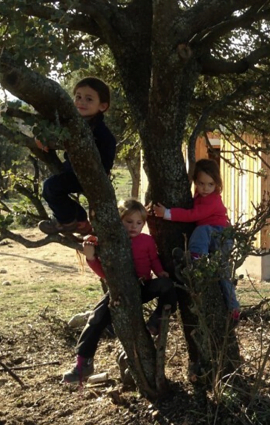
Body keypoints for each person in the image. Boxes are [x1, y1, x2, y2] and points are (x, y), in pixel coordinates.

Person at [62, 199, 177, 385]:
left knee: (167, 285)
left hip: (143, 286)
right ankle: (83, 364)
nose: (134, 226)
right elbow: (106, 274)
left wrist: (159, 272)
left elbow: (153, 258)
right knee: (95, 319)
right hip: (121, 290)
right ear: (119, 221)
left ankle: (156, 321)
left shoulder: (146, 240)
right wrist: (91, 257)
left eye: (139, 223)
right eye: (129, 222)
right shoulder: (110, 243)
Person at [152, 158, 240, 320]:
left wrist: (168, 213)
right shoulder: (199, 197)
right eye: (201, 183)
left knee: (223, 271)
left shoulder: (212, 200)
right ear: (195, 182)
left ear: (217, 185)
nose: (205, 188)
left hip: (220, 235)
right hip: (213, 235)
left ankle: (197, 258)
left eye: (210, 184)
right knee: (221, 270)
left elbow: (194, 215)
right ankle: (199, 258)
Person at [38, 77, 117, 235]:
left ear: (102, 106)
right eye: (78, 97)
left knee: (50, 187)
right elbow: (54, 131)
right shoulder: (72, 121)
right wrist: (42, 137)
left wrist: (102, 172)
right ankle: (78, 220)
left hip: (90, 175)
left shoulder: (100, 132)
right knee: (52, 188)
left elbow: (107, 156)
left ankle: (68, 221)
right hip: (72, 169)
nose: (81, 102)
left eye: (89, 99)